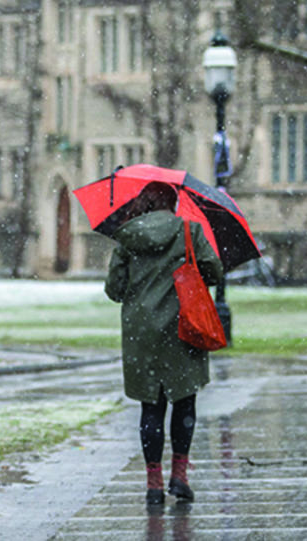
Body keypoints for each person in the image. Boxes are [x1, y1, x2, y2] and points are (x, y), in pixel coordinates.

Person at [104, 181, 223, 506]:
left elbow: (114, 289)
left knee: (151, 406)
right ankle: (179, 477)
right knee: (184, 402)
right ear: (172, 203)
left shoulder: (127, 237)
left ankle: (153, 484)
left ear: (145, 203)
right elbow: (214, 271)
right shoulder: (190, 231)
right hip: (183, 326)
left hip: (142, 332)